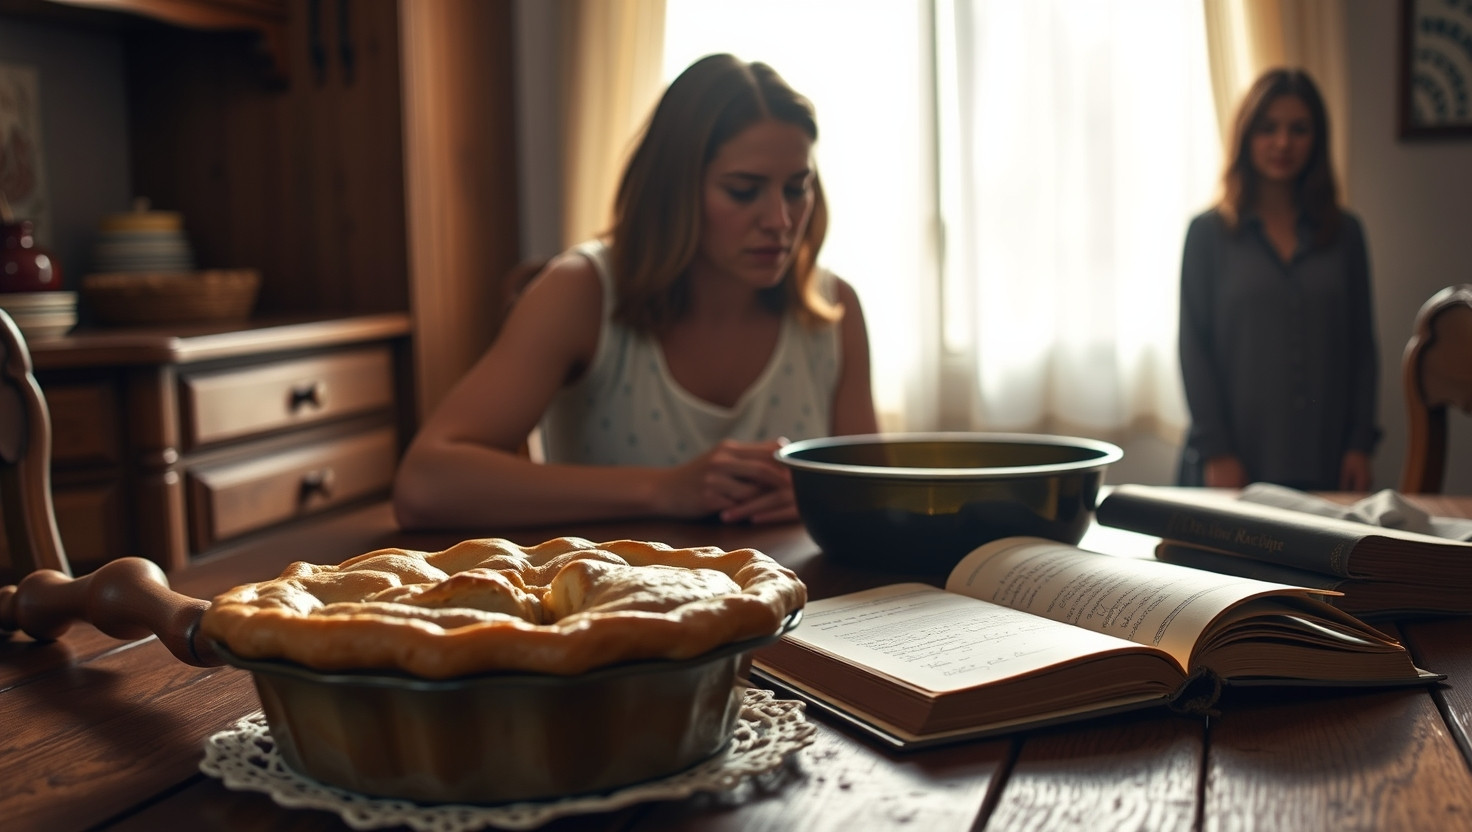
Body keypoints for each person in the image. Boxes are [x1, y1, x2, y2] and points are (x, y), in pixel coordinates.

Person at [393, 53, 879, 530]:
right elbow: (425, 483)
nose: (780, 220)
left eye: (796, 188)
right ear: (674, 190)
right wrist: (664, 489)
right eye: (743, 190)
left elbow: (873, 496)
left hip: (790, 582)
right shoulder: (582, 292)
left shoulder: (833, 307)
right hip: (608, 582)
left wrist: (818, 495)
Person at [1176, 67, 1379, 492]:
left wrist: (1360, 444)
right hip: (1231, 464)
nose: (1283, 143)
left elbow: (1362, 346)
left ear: (1317, 139)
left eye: (1298, 129)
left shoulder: (1345, 234)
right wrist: (1217, 452)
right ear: (1246, 136)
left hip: (1327, 458)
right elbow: (1193, 348)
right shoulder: (1208, 234)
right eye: (1268, 128)